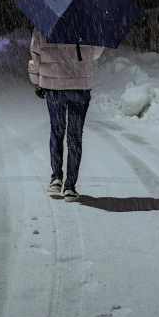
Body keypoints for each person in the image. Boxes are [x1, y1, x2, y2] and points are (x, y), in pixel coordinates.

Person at [28, 28, 104, 199]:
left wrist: (37, 82)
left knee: (57, 131)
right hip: (80, 85)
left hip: (54, 86)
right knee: (75, 136)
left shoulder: (44, 23)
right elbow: (96, 53)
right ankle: (70, 186)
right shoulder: (87, 22)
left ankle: (56, 179)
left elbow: (35, 54)